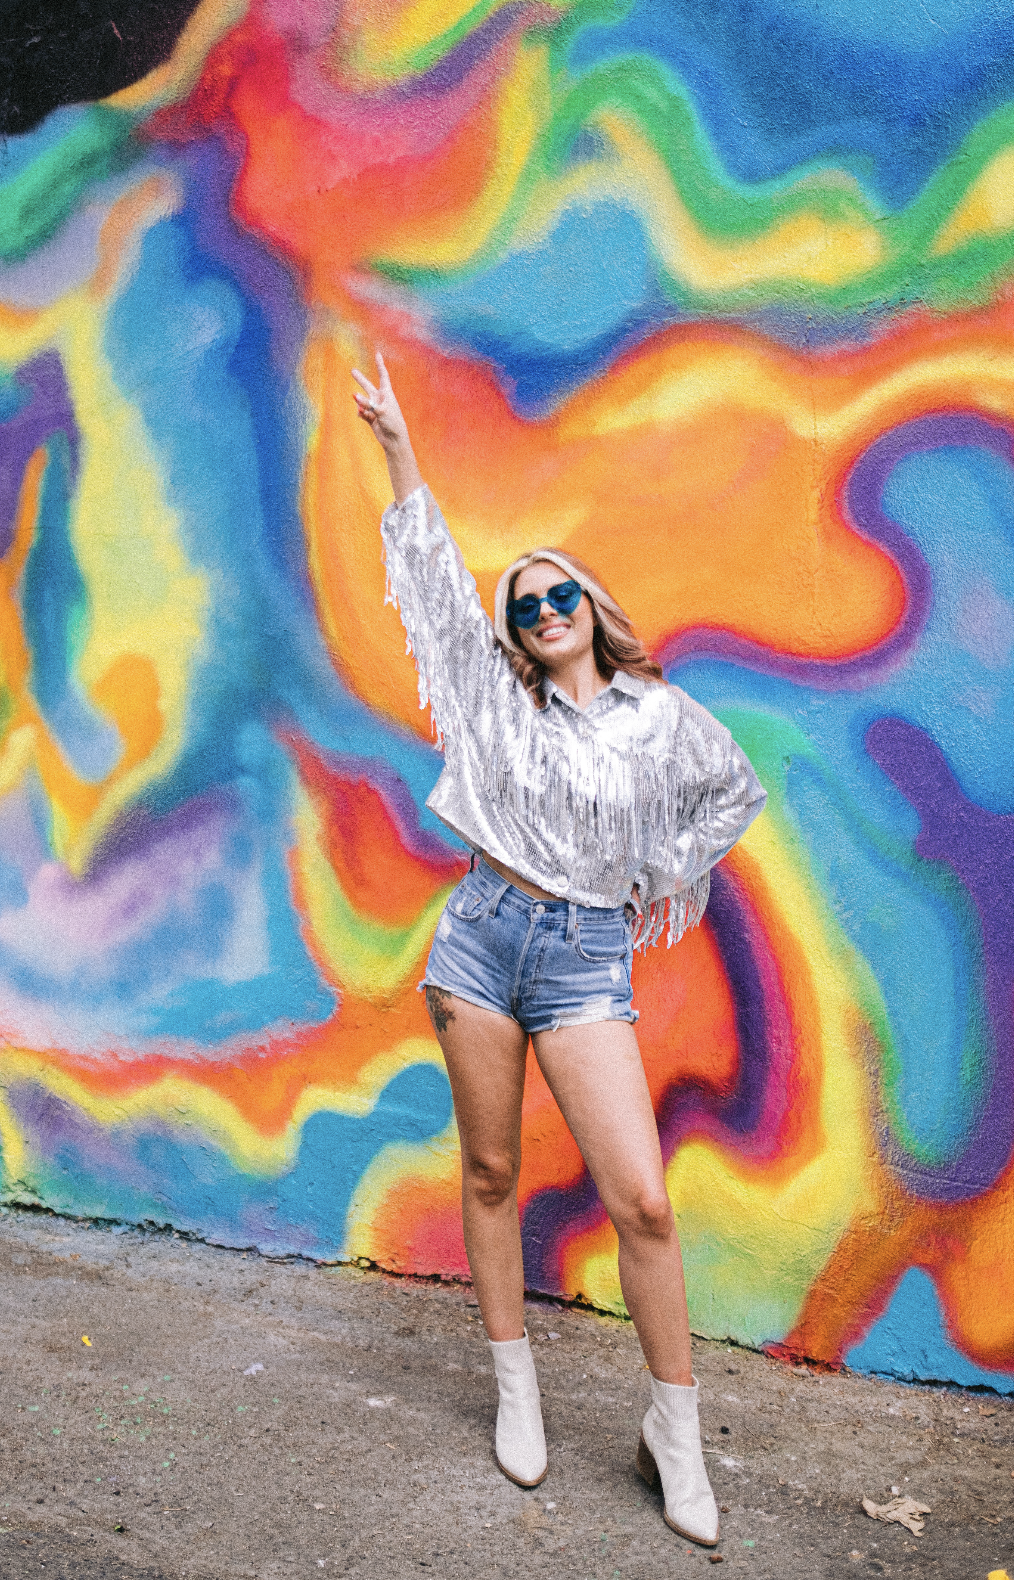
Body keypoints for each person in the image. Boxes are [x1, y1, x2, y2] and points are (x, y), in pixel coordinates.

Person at [351, 353, 766, 1549]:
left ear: (591, 606)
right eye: (522, 607)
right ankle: (514, 1388)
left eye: (556, 598)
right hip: (482, 938)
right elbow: (430, 580)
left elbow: (728, 796)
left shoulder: (659, 713)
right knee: (488, 1173)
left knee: (640, 1195)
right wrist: (397, 446)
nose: (539, 614)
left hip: (585, 959)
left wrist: (649, 879)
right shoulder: (497, 703)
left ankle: (673, 1436)